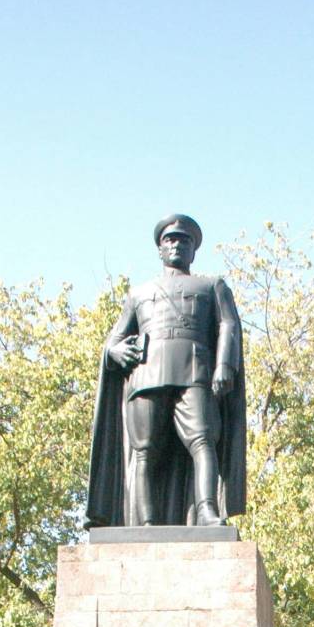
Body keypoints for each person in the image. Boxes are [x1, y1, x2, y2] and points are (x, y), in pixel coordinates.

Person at [87, 213, 245, 529]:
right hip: (146, 377)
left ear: (193, 250)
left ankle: (207, 512)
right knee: (144, 451)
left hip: (195, 373)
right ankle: (146, 523)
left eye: (183, 240)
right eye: (169, 240)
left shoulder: (212, 285)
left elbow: (229, 324)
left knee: (203, 441)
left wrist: (225, 365)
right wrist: (115, 351)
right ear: (160, 249)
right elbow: (114, 340)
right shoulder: (138, 294)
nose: (176, 244)